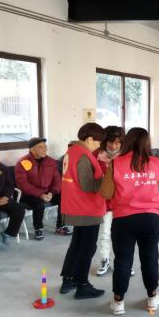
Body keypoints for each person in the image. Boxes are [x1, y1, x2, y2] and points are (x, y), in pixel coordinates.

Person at [100, 128, 159, 315]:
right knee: (150, 258)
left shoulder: (116, 163)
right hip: (150, 218)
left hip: (123, 219)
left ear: (127, 142)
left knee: (123, 260)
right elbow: (156, 182)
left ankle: (118, 302)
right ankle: (152, 299)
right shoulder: (157, 162)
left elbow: (106, 193)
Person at [59, 122, 107, 300]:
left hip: (74, 205)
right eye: (98, 142)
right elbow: (88, 185)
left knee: (77, 244)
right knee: (87, 247)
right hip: (86, 208)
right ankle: (82, 285)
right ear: (89, 139)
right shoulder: (84, 155)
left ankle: (68, 280)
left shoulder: (71, 151)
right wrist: (106, 178)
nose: (99, 146)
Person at [15, 137, 69, 241]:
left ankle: (61, 226)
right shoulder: (23, 162)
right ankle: (38, 228)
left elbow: (57, 180)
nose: (44, 149)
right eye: (40, 147)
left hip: (48, 192)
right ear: (32, 149)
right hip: (29, 194)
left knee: (64, 198)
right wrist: (40, 194)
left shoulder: (51, 162)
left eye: (45, 147)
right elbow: (23, 184)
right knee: (38, 204)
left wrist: (52, 192)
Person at [93, 126, 126, 277]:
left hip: (122, 201)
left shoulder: (126, 155)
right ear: (104, 141)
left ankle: (124, 263)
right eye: (110, 142)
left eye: (118, 143)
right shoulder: (96, 155)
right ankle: (104, 260)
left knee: (123, 235)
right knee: (105, 233)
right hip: (104, 201)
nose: (113, 146)